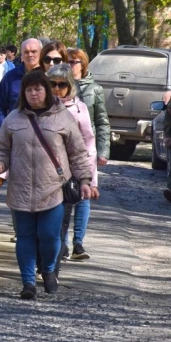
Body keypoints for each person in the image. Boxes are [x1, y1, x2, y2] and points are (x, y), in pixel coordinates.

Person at [0, 70, 92, 300]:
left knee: (49, 236)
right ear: (23, 93)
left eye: (38, 89)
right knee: (25, 236)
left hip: (53, 189)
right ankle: (27, 283)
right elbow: (2, 149)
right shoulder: (13, 119)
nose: (33, 93)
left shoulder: (63, 117)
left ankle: (47, 270)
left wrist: (85, 180)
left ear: (46, 90)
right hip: (20, 188)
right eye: (29, 89)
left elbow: (77, 153)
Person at [47, 64, 100, 262]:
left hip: (72, 172)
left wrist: (90, 179)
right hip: (46, 171)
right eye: (52, 84)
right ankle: (57, 249)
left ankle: (68, 246)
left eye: (62, 84)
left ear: (70, 86)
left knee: (67, 210)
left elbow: (89, 143)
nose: (57, 89)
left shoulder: (80, 109)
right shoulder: (39, 109)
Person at [67, 47, 110, 255]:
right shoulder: (60, 86)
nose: (70, 65)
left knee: (84, 195)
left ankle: (78, 242)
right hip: (64, 149)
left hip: (87, 150)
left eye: (74, 62)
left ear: (83, 64)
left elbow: (102, 122)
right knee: (65, 195)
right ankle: (61, 244)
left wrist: (103, 150)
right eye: (67, 62)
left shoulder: (95, 89)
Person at [0, 38, 42, 131]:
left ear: (41, 53)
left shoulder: (49, 77)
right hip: (16, 138)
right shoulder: (10, 77)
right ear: (21, 54)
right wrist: (6, 131)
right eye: (26, 52)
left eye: (34, 51)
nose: (30, 55)